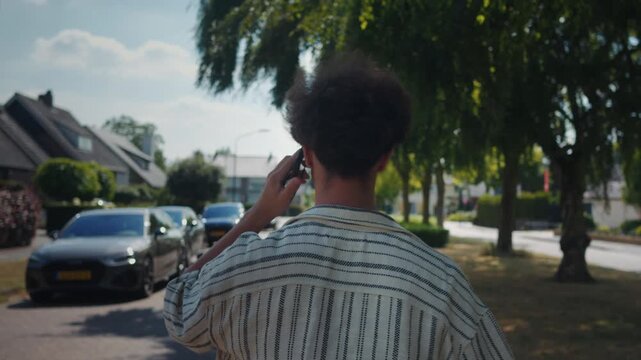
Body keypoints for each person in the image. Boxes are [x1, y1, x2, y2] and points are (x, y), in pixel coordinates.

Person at [164, 53, 513, 359]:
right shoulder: (442, 286)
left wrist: (258, 215)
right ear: (385, 158)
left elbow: (179, 309)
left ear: (308, 156)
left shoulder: (245, 267)